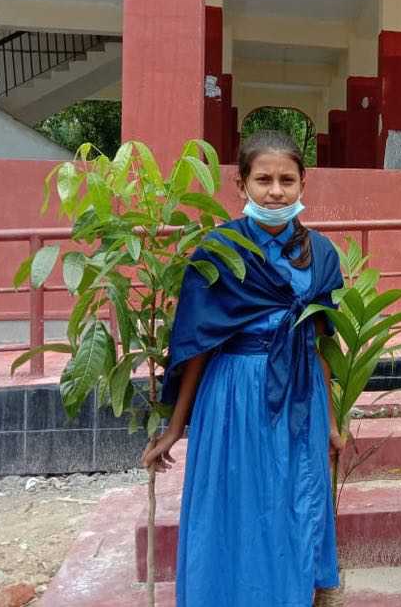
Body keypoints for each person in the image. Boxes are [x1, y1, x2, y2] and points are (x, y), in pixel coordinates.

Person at [142, 130, 345, 607]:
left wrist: (332, 422)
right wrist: (175, 428)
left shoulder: (321, 254)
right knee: (234, 506)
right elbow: (196, 347)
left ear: (302, 185)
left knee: (294, 502)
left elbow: (321, 342)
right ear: (241, 185)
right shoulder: (220, 250)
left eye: (286, 180)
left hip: (300, 397)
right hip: (234, 393)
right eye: (263, 180)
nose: (275, 192)